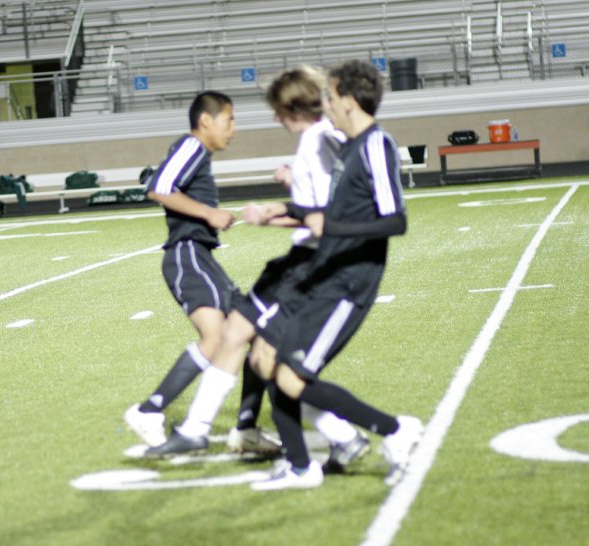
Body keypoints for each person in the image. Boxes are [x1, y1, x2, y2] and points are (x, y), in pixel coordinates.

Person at [144, 67, 371, 470]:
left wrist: (281, 209)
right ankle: (207, 428)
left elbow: (330, 204)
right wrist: (281, 205)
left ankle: (363, 432)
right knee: (248, 342)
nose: (271, 118)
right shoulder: (314, 141)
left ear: (291, 106)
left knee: (269, 358)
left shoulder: (323, 136)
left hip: (310, 264)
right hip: (305, 260)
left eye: (276, 109)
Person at [239, 60, 423, 490]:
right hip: (326, 273)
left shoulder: (377, 144)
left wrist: (329, 226)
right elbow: (326, 211)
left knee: (290, 375)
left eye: (331, 97)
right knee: (276, 367)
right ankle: (302, 468)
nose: (326, 105)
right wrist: (280, 212)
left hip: (351, 279)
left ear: (350, 100)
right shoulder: (352, 146)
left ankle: (396, 431)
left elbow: (395, 220)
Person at [121, 91, 281, 458]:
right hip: (187, 256)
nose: (234, 129)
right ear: (206, 120)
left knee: (253, 331)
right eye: (230, 119)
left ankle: (246, 429)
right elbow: (158, 188)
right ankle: (148, 410)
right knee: (218, 337)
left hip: (201, 258)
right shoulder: (192, 146)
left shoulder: (199, 155)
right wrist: (209, 215)